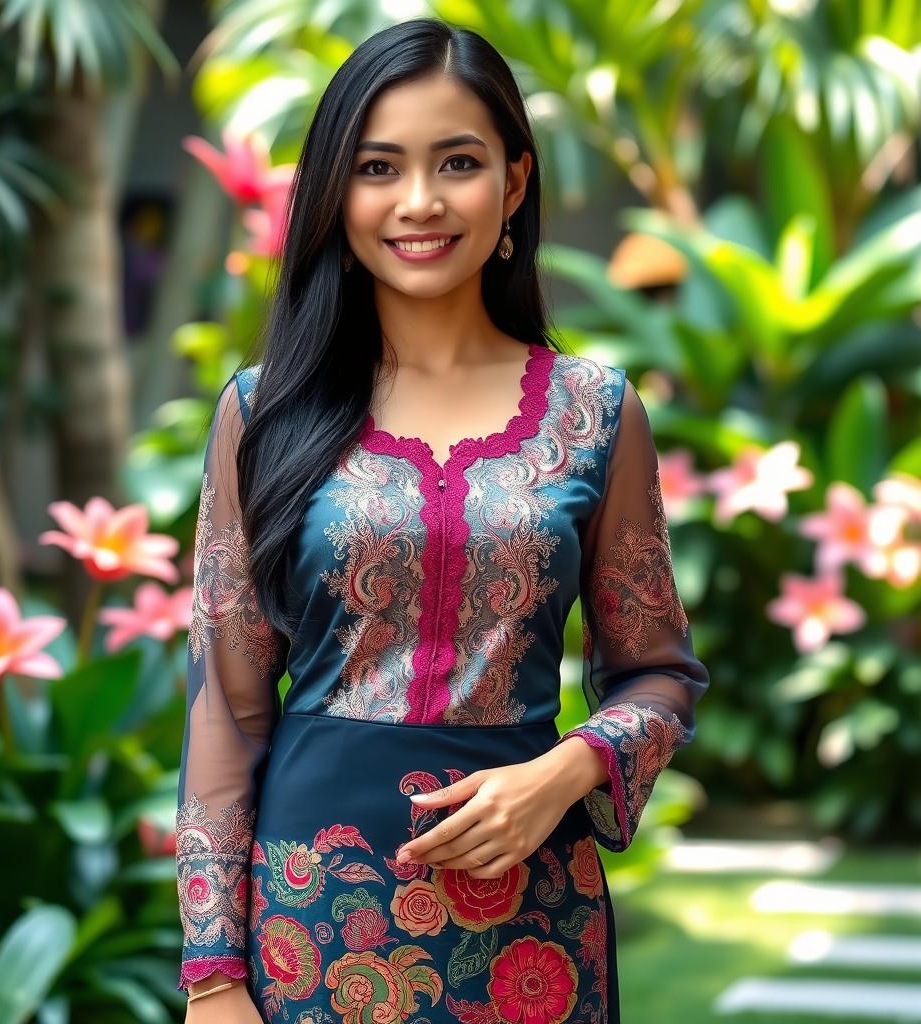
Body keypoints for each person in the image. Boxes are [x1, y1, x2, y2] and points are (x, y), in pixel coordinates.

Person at [175, 17, 710, 1024]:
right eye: (378, 166)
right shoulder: (263, 413)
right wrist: (212, 976)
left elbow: (659, 673)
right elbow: (225, 706)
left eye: (455, 162)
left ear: (512, 184)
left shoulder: (593, 413)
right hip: (307, 921)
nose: (417, 202)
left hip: (529, 928)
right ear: (336, 191)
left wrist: (565, 770)